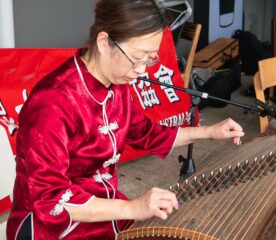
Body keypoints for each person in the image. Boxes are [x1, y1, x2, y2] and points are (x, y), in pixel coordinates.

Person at [7, 0, 244, 239]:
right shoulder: (53, 102)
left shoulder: (116, 84)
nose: (142, 69)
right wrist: (132, 208)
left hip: (105, 208)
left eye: (151, 58)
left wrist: (208, 132)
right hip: (52, 226)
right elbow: (50, 199)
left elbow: (147, 133)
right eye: (137, 57)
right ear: (104, 43)